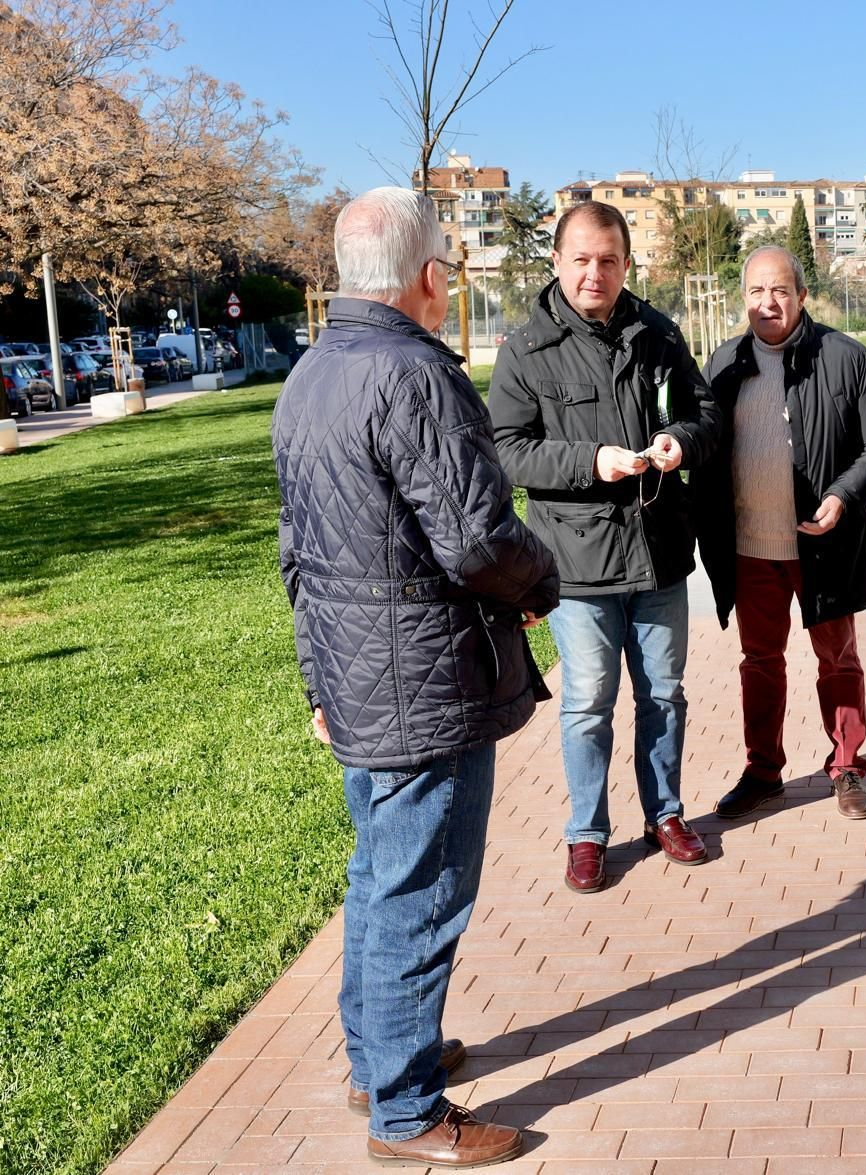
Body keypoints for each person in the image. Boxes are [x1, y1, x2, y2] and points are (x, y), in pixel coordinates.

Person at [273, 186, 559, 1167]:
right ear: (430, 275)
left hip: (362, 677)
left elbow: (295, 555)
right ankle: (405, 1109)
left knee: (380, 876)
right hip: (424, 683)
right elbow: (478, 538)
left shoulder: (310, 374)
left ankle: (378, 1060)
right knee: (421, 891)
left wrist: (318, 683)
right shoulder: (415, 375)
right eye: (450, 263)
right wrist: (541, 582)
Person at [488, 201, 721, 894]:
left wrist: (680, 441)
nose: (596, 272)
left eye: (609, 260)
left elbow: (704, 413)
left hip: (659, 553)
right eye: (582, 259)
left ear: (626, 264)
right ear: (557, 262)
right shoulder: (526, 350)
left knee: (665, 694)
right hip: (577, 564)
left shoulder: (659, 334)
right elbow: (506, 450)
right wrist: (591, 461)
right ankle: (587, 833)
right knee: (588, 701)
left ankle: (665, 814)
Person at [696, 246, 866, 821]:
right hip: (751, 549)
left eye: (780, 290)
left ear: (802, 296)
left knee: (838, 660)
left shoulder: (846, 357)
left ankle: (847, 766)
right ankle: (763, 771)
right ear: (743, 299)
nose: (769, 302)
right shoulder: (723, 364)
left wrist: (841, 495)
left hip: (824, 547)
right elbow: (704, 449)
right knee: (760, 661)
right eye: (757, 291)